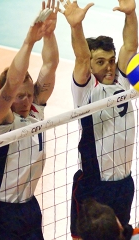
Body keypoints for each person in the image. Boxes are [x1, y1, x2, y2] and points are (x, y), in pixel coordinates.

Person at [0, 1, 59, 239]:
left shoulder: (35, 111)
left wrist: (49, 35)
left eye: (28, 94)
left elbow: (50, 65)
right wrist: (28, 42)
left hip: (29, 206)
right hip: (0, 211)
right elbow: (12, 84)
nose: (25, 101)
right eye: (19, 96)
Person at [59, 0, 138, 239]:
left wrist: (131, 13)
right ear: (91, 66)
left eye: (111, 60)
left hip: (123, 183)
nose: (109, 67)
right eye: (100, 62)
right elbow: (81, 59)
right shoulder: (86, 90)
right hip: (94, 185)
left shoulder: (124, 83)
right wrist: (76, 27)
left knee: (119, 235)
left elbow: (131, 46)